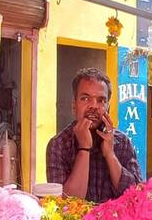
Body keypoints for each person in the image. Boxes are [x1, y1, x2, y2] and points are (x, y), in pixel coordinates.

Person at [46, 68, 142, 203]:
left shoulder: (122, 142)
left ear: (107, 107)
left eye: (101, 100)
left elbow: (137, 196)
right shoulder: (58, 145)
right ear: (74, 105)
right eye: (85, 98)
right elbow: (66, 204)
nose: (93, 106)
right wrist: (84, 149)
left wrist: (110, 154)